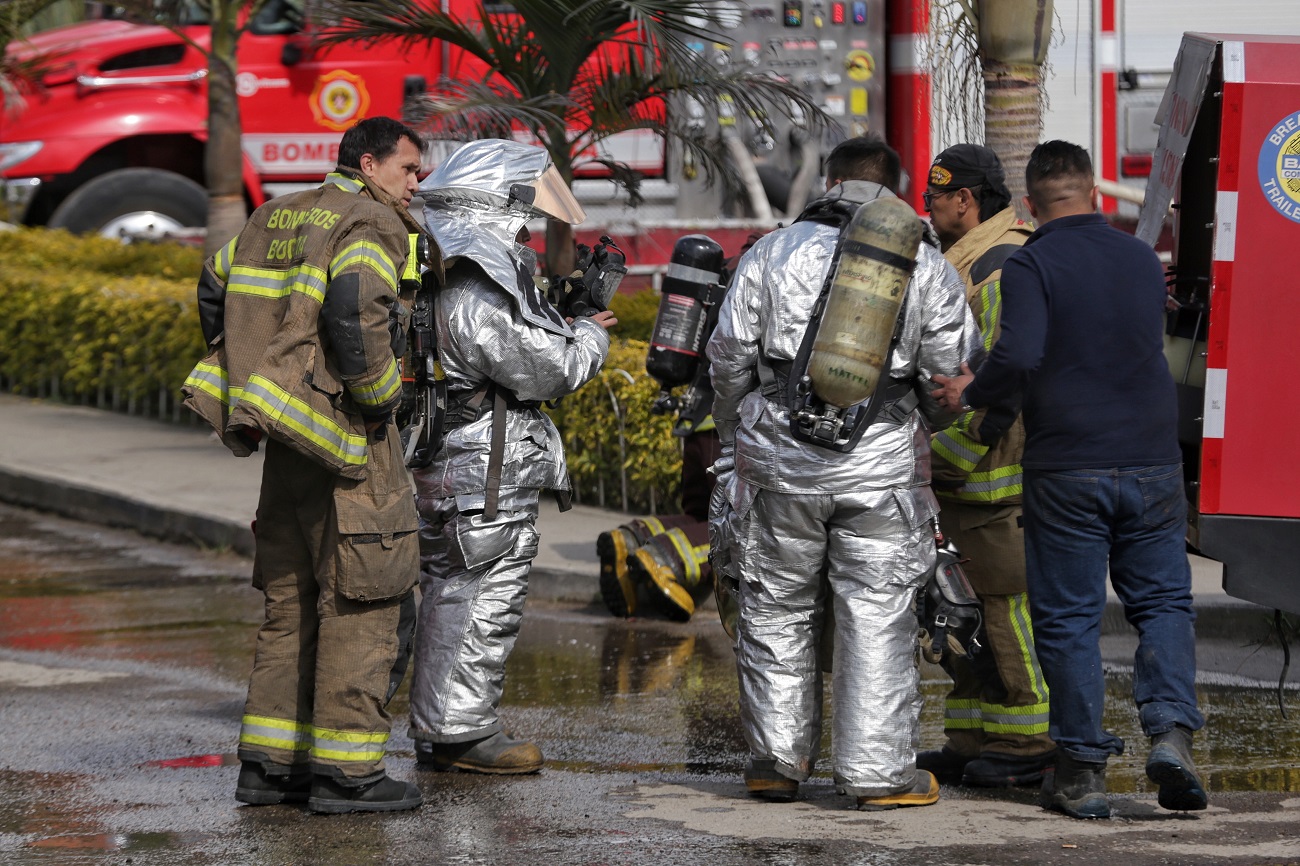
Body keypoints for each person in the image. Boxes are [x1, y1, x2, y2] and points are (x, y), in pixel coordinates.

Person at [932, 140, 1207, 819]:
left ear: (1030, 204)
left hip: (1068, 465)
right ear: (1095, 194)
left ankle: (1082, 772)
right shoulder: (1140, 259)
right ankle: (1170, 734)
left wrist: (969, 392)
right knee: (1162, 604)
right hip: (1152, 459)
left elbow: (1020, 355)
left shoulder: (1032, 262)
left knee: (1069, 617)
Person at [706, 137, 981, 810]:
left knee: (775, 606)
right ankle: (876, 775)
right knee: (878, 615)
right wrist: (916, 426)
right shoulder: (924, 262)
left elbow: (729, 354)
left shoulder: (771, 252)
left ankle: (777, 764)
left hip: (778, 464)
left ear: (829, 183)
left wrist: (736, 430)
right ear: (895, 191)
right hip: (882, 466)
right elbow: (950, 371)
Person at [182, 116, 431, 813]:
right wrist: (378, 399)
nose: (416, 184)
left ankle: (269, 767)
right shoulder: (371, 221)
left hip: (288, 441)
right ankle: (348, 774)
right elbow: (356, 308)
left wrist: (250, 373)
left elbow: (214, 285)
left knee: (290, 603)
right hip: (349, 444)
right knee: (364, 599)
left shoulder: (275, 213)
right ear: (369, 164)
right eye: (409, 169)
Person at [407, 139, 616, 775]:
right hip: (483, 472)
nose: (526, 232)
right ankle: (460, 734)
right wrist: (590, 334)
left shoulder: (449, 277)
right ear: (496, 208)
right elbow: (551, 368)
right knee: (481, 599)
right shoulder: (476, 291)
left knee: (452, 592)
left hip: (460, 465)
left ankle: (444, 727)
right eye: (521, 216)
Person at [917, 144, 1055, 787]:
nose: (928, 209)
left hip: (995, 481)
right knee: (959, 615)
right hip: (963, 481)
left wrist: (949, 456)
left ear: (965, 200)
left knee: (1004, 611)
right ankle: (973, 737)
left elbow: (1005, 379)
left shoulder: (1000, 267)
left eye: (934, 198)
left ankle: (1029, 744)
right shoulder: (968, 262)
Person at [597, 425, 722, 621]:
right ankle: (663, 559)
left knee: (701, 516)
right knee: (741, 529)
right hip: (733, 430)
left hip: (699, 426)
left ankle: (632, 539)